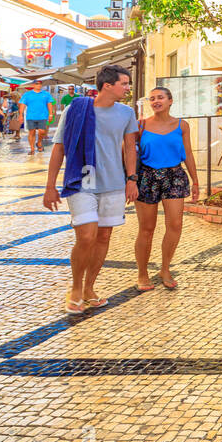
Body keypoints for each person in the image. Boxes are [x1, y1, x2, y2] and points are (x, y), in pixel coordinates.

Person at [42, 64, 139, 315]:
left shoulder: (127, 113)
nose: (128, 88)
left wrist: (132, 178)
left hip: (114, 183)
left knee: (104, 237)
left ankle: (89, 288)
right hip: (82, 180)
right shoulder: (76, 109)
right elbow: (59, 148)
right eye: (125, 83)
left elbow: (130, 148)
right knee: (86, 236)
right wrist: (50, 186)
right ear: (108, 85)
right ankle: (75, 288)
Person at [132, 87, 199, 292]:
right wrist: (130, 181)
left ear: (170, 100)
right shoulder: (140, 125)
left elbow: (187, 153)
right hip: (147, 176)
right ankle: (142, 273)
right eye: (152, 99)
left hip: (174, 176)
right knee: (146, 229)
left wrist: (196, 181)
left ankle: (165, 269)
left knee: (175, 225)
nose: (156, 101)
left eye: (160, 97)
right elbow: (131, 154)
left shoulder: (182, 125)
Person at [20, 80, 56, 153]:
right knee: (31, 132)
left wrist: (51, 114)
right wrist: (20, 115)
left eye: (40, 84)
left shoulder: (46, 94)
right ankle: (32, 149)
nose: (38, 85)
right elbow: (22, 105)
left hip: (43, 116)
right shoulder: (27, 94)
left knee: (42, 131)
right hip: (30, 116)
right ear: (33, 85)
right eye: (37, 84)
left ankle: (39, 142)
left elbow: (49, 104)